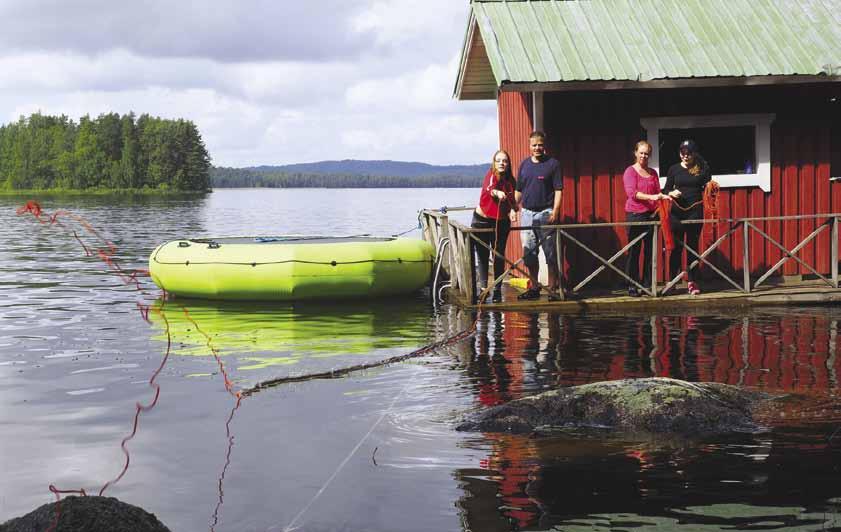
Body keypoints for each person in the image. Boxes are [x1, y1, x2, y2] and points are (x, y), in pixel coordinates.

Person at [514, 131, 563, 300]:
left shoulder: (553, 164)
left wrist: (555, 210)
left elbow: (558, 189)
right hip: (527, 213)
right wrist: (513, 208)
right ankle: (534, 287)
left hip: (546, 213)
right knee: (529, 253)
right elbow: (518, 191)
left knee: (550, 253)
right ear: (529, 146)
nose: (537, 148)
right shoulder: (524, 165)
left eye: (540, 145)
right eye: (534, 145)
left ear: (544, 146)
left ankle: (552, 289)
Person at [662, 139, 712, 295]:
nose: (685, 156)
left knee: (692, 247)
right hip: (677, 213)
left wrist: (711, 186)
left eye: (688, 153)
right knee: (676, 248)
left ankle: (692, 281)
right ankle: (673, 281)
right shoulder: (673, 169)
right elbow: (665, 190)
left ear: (694, 154)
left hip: (695, 212)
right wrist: (671, 193)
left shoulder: (701, 168)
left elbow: (709, 184)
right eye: (682, 153)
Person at [623, 140, 671, 297]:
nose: (644, 156)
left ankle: (647, 285)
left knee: (650, 251)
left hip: (652, 216)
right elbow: (632, 193)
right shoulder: (630, 171)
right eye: (641, 152)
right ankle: (632, 285)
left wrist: (666, 196)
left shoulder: (653, 173)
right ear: (635, 153)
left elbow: (658, 192)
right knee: (634, 252)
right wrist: (653, 196)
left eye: (647, 153)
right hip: (635, 215)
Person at [471, 149, 519, 303]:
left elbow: (513, 200)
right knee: (483, 256)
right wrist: (497, 193)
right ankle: (484, 290)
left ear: (508, 164)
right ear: (494, 162)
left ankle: (497, 290)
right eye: (498, 160)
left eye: (504, 161)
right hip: (482, 221)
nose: (501, 163)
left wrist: (513, 210)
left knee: (498, 256)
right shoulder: (490, 175)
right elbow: (490, 189)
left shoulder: (511, 181)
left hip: (501, 222)